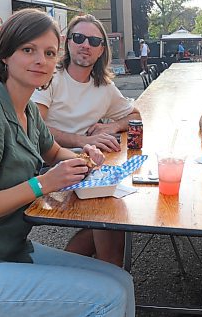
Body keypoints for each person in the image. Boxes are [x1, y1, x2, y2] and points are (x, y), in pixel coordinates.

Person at [0, 9, 135, 317]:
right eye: (28, 50)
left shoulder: (27, 110)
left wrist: (85, 157)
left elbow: (55, 152)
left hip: (6, 252)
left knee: (120, 281)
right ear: (5, 54)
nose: (41, 60)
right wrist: (43, 184)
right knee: (108, 297)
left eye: (49, 52)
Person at [31, 14, 141, 267]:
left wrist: (110, 125)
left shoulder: (104, 86)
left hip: (89, 164)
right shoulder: (50, 77)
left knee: (118, 206)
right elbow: (38, 129)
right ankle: (111, 280)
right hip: (50, 165)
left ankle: (71, 273)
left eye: (94, 40)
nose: (86, 45)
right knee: (112, 209)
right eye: (79, 38)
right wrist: (83, 140)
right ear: (67, 42)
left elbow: (135, 115)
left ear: (102, 49)